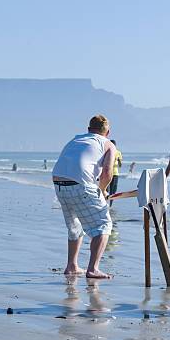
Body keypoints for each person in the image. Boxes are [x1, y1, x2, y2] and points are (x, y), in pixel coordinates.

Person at [52, 114, 116, 279]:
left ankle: (72, 266)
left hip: (59, 183)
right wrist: (102, 191)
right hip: (80, 185)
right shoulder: (107, 144)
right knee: (104, 225)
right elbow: (107, 174)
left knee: (75, 226)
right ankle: (93, 268)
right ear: (107, 132)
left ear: (88, 130)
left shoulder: (75, 140)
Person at [108, 140, 123, 206]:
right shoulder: (107, 152)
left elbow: (120, 165)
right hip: (108, 173)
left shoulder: (118, 152)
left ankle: (110, 204)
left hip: (115, 173)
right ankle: (107, 203)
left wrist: (119, 161)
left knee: (113, 189)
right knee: (108, 189)